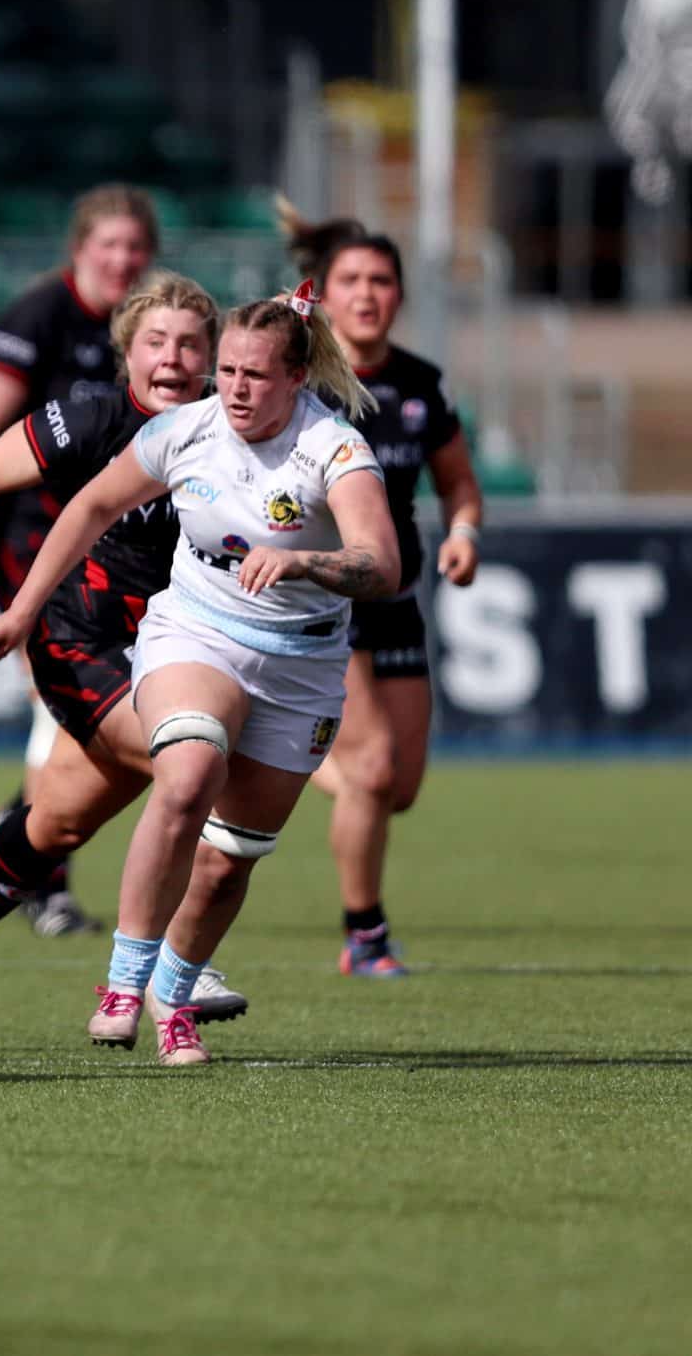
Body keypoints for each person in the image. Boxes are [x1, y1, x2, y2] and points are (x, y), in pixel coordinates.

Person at [0, 288, 397, 1066]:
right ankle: (123, 987)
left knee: (230, 856)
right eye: (228, 369)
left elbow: (380, 564)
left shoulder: (334, 450)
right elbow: (90, 507)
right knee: (188, 770)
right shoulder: (186, 430)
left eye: (257, 375)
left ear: (298, 377)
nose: (235, 387)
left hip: (301, 663)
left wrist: (305, 560)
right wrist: (21, 610)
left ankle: (176, 996)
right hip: (194, 632)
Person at [0, 274, 247, 1027]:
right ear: (126, 351)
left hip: (178, 647)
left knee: (55, 826)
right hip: (78, 640)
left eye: (191, 344)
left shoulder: (233, 431)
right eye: (155, 342)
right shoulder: (91, 415)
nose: (172, 358)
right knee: (190, 761)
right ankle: (171, 963)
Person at [0, 185, 161, 936]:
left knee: (95, 709)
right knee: (57, 697)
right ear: (79, 248)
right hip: (32, 533)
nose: (121, 260)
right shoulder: (36, 317)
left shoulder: (154, 337)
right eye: (108, 246)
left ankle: (16, 833)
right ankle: (43, 877)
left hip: (122, 546)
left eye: (134, 248)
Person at [280, 202, 484, 977]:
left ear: (400, 294)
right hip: (321, 599)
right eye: (352, 280)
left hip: (394, 598)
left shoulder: (421, 385)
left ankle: (280, 756)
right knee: (367, 770)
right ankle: (365, 936)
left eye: (383, 280)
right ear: (324, 294)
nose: (368, 294)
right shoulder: (299, 386)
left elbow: (460, 485)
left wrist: (464, 533)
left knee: (399, 786)